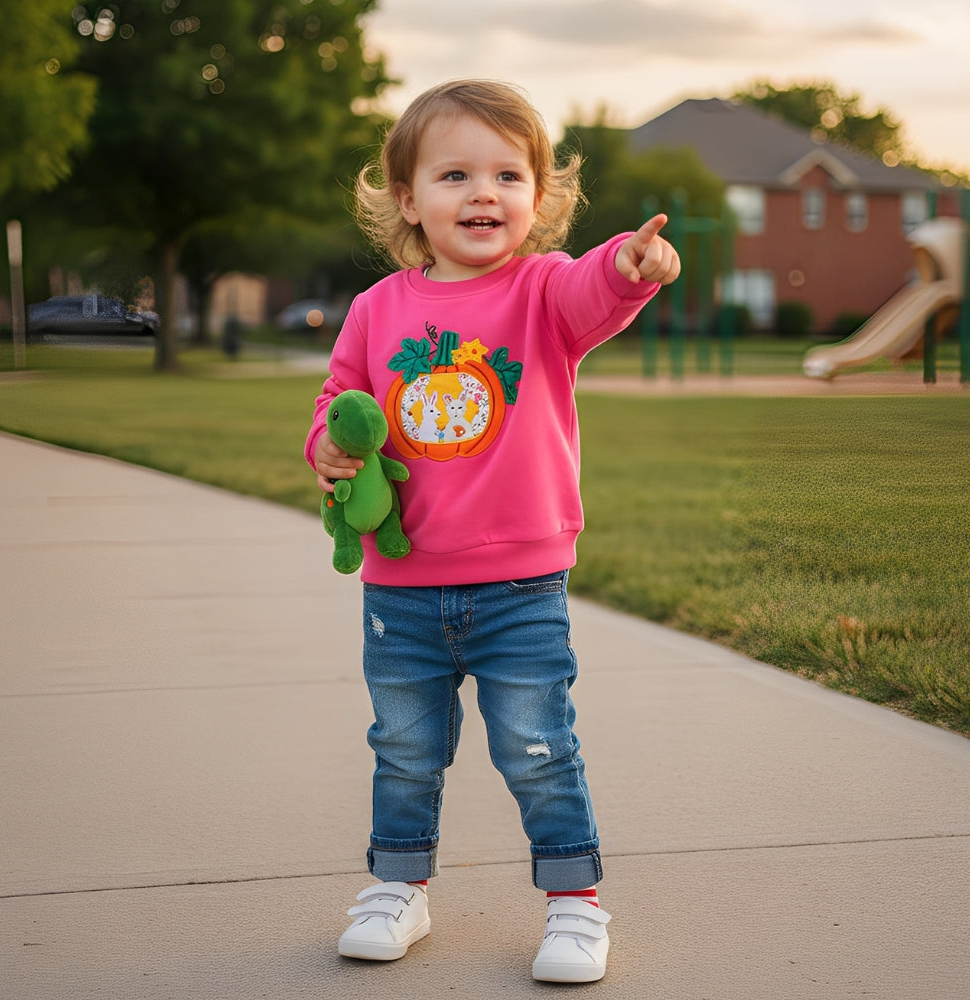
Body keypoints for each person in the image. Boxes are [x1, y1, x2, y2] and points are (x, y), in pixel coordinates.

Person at [304, 79, 680, 983]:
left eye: (509, 175)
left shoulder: (544, 291)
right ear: (407, 198)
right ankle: (399, 885)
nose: (484, 193)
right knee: (403, 750)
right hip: (402, 585)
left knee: (539, 749)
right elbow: (339, 402)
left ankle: (575, 904)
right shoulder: (377, 310)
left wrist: (628, 267)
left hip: (521, 587)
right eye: (456, 174)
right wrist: (326, 449)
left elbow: (595, 292)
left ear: (539, 199)